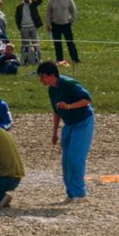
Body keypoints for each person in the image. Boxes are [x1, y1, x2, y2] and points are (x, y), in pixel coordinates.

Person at [37, 61, 94, 202]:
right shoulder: (51, 89)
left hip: (83, 122)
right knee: (66, 160)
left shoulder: (69, 84)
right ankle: (71, 193)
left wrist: (69, 106)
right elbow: (56, 111)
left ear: (51, 75)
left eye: (42, 76)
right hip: (68, 124)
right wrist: (55, 132)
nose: (40, 80)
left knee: (75, 158)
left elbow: (87, 100)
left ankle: (80, 194)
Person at [45, 0, 79, 65]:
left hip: (66, 24)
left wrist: (72, 20)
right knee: (57, 44)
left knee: (70, 43)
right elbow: (48, 13)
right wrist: (48, 24)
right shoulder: (51, 0)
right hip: (55, 25)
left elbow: (73, 9)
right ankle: (59, 59)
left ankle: (75, 59)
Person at [15, 0, 44, 66]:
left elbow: (40, 0)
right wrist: (20, 28)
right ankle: (24, 61)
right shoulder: (19, 6)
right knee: (25, 46)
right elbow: (17, 18)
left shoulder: (33, 3)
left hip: (33, 27)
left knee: (36, 45)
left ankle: (39, 60)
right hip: (24, 28)